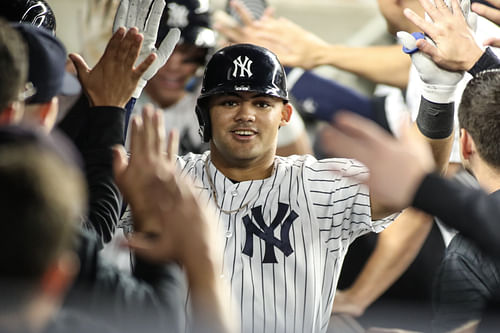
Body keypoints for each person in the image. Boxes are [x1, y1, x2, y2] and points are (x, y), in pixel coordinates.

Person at [145, 38, 460, 332]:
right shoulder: (165, 176)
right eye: (229, 102)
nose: (246, 115)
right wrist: (115, 103)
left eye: (262, 104)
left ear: (285, 114)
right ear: (205, 114)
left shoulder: (319, 186)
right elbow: (99, 194)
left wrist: (438, 97)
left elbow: (416, 185)